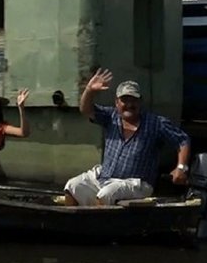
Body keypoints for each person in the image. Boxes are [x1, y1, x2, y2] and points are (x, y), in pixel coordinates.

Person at [63, 68, 191, 206]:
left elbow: (182, 140)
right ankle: (74, 224)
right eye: (125, 100)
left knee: (107, 193)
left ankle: (99, 225)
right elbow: (85, 109)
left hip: (138, 183)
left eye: (134, 100)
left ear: (140, 102)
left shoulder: (156, 123)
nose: (129, 105)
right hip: (104, 177)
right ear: (117, 103)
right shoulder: (111, 117)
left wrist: (181, 167)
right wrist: (89, 90)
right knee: (73, 186)